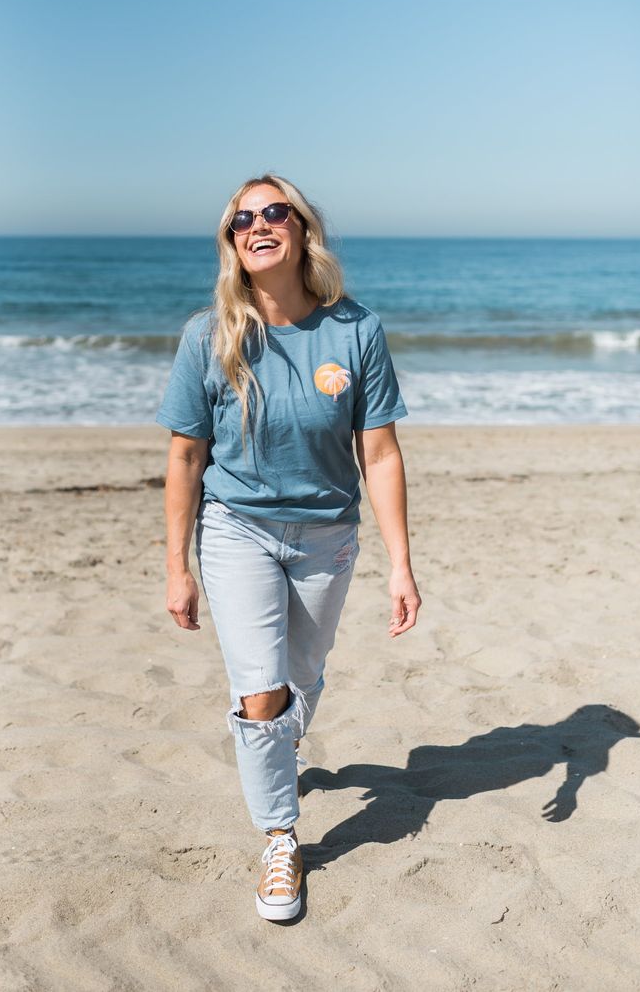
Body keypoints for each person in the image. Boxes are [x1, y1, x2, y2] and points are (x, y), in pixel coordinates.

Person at [156, 173, 422, 921]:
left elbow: (381, 455)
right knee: (263, 686)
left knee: (301, 679)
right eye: (244, 219)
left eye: (276, 212)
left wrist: (402, 565)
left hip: (327, 536)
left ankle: (275, 743)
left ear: (303, 230)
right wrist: (178, 567)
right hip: (236, 529)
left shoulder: (355, 331)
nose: (259, 224)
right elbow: (184, 459)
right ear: (232, 243)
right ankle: (280, 835)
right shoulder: (207, 336)